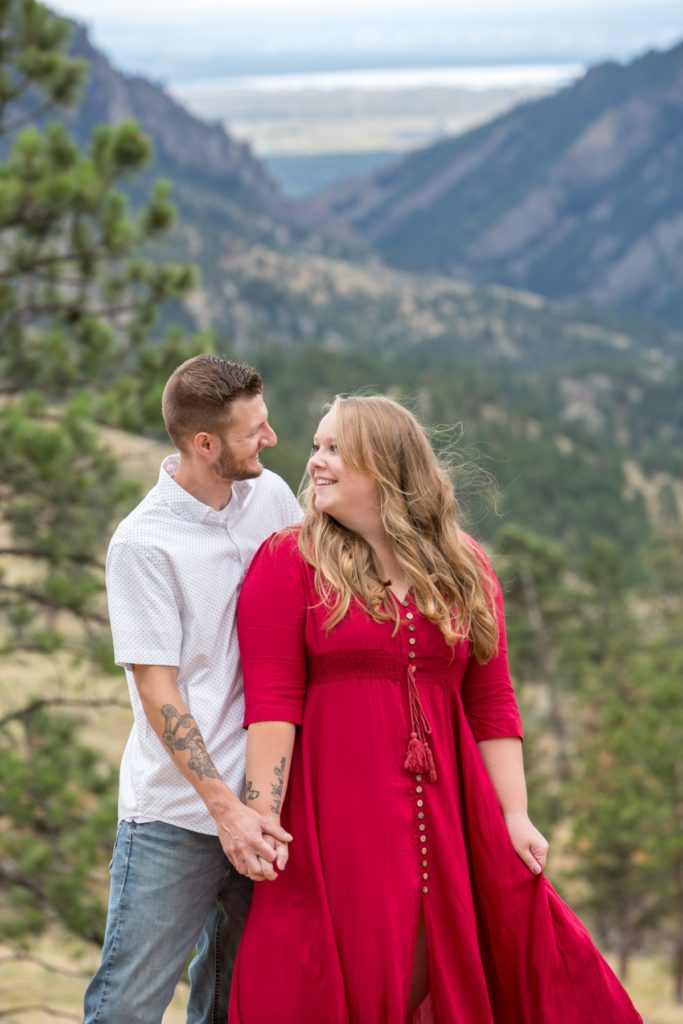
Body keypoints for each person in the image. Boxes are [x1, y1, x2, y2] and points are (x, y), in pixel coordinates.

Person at [228, 394, 642, 1024]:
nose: (314, 463)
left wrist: (515, 815)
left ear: (388, 466)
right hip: (336, 810)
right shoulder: (289, 561)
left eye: (335, 449)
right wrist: (262, 814)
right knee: (331, 975)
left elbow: (491, 701)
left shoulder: (465, 566)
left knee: (457, 960)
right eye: (316, 447)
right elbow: (273, 704)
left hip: (451, 810)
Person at [83, 355, 301, 1024]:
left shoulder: (270, 495)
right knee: (127, 1005)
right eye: (251, 432)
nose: (268, 440)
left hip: (271, 814)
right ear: (203, 444)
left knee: (233, 1003)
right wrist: (224, 812)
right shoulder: (143, 545)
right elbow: (159, 693)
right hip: (177, 819)